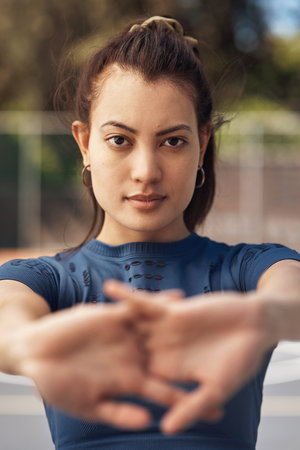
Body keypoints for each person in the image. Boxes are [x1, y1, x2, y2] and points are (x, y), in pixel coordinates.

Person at [0, 15, 300, 450]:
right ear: (85, 144)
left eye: (172, 141)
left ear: (202, 142)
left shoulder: (250, 269)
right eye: (120, 140)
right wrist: (26, 346)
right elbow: (7, 317)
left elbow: (291, 294)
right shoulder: (45, 280)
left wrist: (265, 317)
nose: (146, 171)